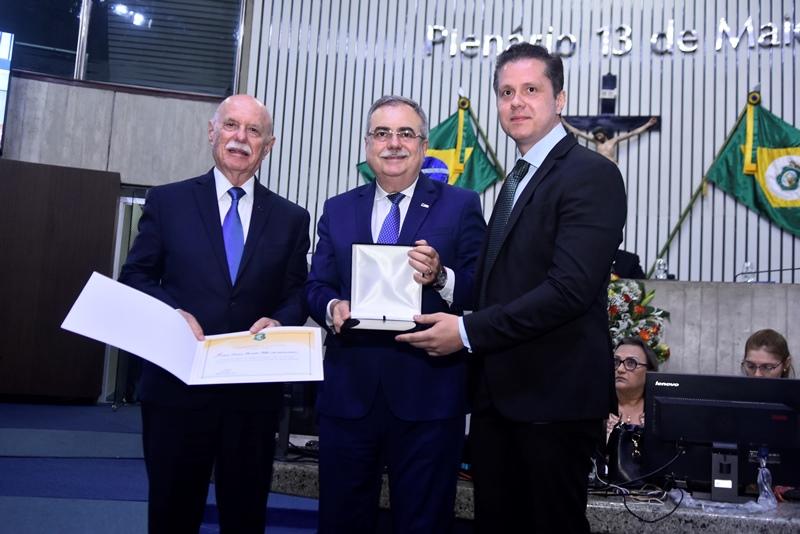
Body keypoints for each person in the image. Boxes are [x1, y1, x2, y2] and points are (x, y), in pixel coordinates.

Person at [397, 43, 627, 533]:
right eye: (506, 92)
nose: (516, 102)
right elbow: (504, 284)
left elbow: (569, 290)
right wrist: (442, 278)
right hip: (499, 401)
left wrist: (466, 332)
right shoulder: (517, 178)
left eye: (530, 90)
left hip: (553, 403)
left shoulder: (592, 175)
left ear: (559, 99)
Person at [119, 94, 311, 533]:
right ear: (212, 132)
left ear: (268, 146)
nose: (240, 138)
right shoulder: (168, 202)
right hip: (176, 390)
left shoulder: (291, 219)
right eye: (231, 125)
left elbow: (297, 293)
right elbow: (135, 276)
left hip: (252, 400)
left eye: (253, 130)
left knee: (245, 517)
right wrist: (173, 313)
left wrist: (280, 321)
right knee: (172, 514)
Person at [306, 95, 486, 533]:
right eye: (382, 133)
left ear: (423, 146)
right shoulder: (337, 208)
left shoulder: (460, 204)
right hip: (349, 395)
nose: (393, 143)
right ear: (368, 144)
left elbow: (481, 286)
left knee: (424, 523)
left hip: (429, 396)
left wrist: (441, 276)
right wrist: (332, 307)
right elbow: (316, 286)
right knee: (341, 521)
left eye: (406, 133)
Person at [607, 337, 659, 436]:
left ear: (649, 371)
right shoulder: (598, 409)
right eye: (616, 362)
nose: (620, 369)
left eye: (631, 363)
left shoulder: (658, 412)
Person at [562, 116, 657, 163]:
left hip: (612, 164)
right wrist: (564, 122)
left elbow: (632, 133)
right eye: (597, 136)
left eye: (600, 135)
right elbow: (578, 133)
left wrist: (648, 124)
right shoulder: (596, 142)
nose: (598, 137)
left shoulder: (614, 141)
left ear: (604, 134)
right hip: (600, 165)